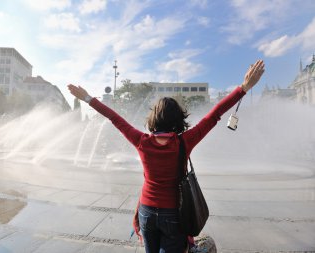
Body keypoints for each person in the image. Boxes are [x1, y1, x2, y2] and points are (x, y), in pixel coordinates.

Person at [68, 59, 265, 253]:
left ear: (154, 118)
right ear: (178, 119)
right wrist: (244, 87)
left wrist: (88, 99)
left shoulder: (141, 141)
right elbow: (214, 114)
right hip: (174, 214)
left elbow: (114, 118)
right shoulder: (184, 142)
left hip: (146, 211)